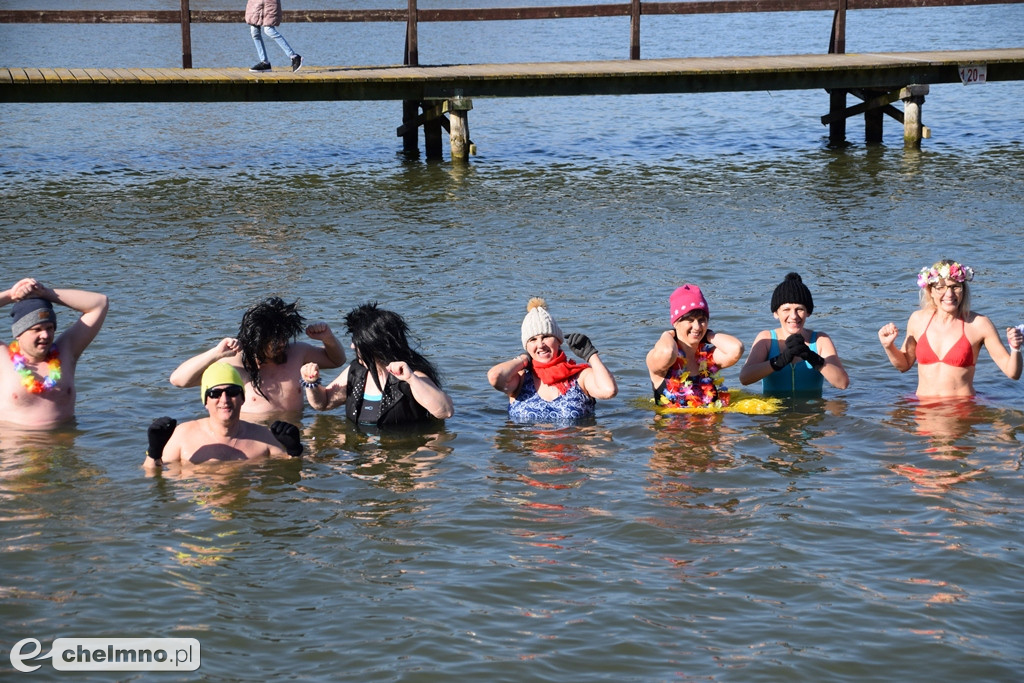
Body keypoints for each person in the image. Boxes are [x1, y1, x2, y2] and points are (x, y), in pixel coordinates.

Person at [170, 296, 345, 416]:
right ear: (256, 340)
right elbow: (178, 380)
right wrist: (215, 353)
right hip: (255, 436)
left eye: (284, 337)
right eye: (274, 341)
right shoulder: (234, 364)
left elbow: (337, 360)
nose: (282, 344)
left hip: (295, 433)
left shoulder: (297, 352)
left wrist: (328, 338)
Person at [878, 259, 1023, 398]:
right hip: (923, 407)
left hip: (961, 408)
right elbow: (903, 365)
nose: (949, 294)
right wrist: (889, 346)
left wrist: (1015, 348)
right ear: (930, 291)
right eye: (940, 288)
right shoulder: (918, 320)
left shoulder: (979, 324)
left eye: (955, 287)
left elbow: (1013, 373)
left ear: (963, 290)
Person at [301, 303, 454, 427]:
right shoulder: (356, 371)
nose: (352, 346)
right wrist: (311, 383)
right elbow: (324, 403)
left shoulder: (412, 376)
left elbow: (445, 412)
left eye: (357, 342)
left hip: (400, 453)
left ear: (374, 346)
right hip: (361, 452)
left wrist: (412, 379)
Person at [145, 362, 303, 470]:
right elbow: (153, 476)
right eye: (215, 394)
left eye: (232, 392)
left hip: (246, 503)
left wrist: (295, 450)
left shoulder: (263, 437)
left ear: (242, 398)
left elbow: (294, 472)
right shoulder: (182, 435)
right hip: (200, 506)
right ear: (205, 401)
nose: (224, 400)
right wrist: (154, 452)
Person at [0, 278, 108, 429]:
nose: (45, 335)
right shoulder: (3, 359)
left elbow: (100, 303)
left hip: (64, 441)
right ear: (19, 333)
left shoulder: (67, 351)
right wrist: (11, 295)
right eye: (37, 329)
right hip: (19, 442)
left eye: (49, 328)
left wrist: (45, 293)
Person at [488, 298, 617, 423]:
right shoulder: (520, 380)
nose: (540, 344)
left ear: (558, 341)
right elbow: (495, 376)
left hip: (574, 437)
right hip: (528, 438)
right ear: (526, 346)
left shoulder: (580, 377)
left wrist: (591, 355)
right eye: (533, 340)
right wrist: (524, 359)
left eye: (546, 337)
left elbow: (609, 391)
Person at [738, 272, 849, 396]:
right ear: (776, 313)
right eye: (786, 309)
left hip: (812, 407)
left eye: (799, 309)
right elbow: (744, 378)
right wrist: (780, 360)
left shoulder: (820, 340)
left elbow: (842, 383)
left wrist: (811, 356)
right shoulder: (766, 339)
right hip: (774, 408)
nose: (793, 316)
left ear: (808, 312)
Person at [646, 284, 743, 409]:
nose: (697, 326)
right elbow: (667, 352)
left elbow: (736, 349)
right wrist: (668, 334)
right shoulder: (659, 359)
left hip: (711, 421)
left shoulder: (709, 358)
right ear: (676, 322)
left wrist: (708, 335)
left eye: (702, 320)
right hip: (672, 422)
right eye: (690, 320)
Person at [246, 0, 302, 72]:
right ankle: (265, 63)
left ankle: (294, 56)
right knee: (254, 32)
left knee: (269, 30)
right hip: (255, 4)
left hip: (269, 4)